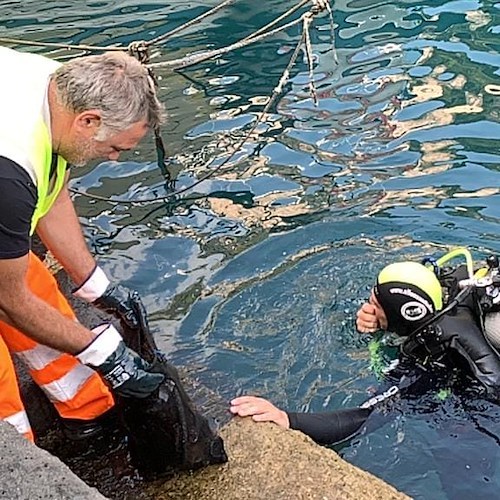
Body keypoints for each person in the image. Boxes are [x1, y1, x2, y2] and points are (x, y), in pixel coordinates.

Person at [0, 45, 166, 442]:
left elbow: (51, 189)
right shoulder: (9, 172)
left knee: (36, 290)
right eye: (115, 148)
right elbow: (8, 299)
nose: (113, 159)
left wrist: (96, 286)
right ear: (88, 122)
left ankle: (85, 410)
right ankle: (20, 458)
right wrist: (102, 353)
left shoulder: (61, 90)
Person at [230, 255, 500, 444]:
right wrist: (382, 324)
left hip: (485, 406)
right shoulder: (454, 292)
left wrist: (287, 419)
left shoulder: (434, 354)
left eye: (375, 305)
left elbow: (367, 416)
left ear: (402, 313)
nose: (366, 309)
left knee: (455, 441)